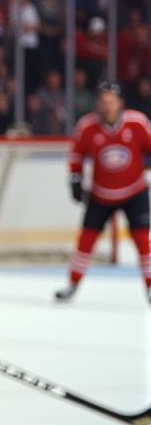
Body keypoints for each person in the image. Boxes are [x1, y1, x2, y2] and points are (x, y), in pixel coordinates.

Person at [54, 80, 151, 304]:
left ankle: (149, 287)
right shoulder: (87, 126)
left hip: (134, 192)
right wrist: (75, 180)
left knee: (143, 242)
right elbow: (76, 154)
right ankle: (73, 284)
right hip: (101, 195)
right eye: (103, 101)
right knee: (86, 240)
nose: (107, 106)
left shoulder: (137, 123)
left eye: (111, 101)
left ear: (120, 103)